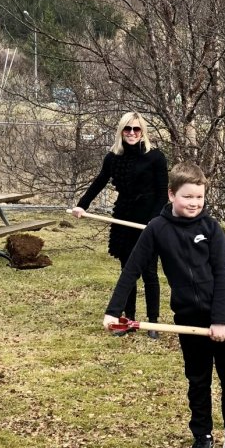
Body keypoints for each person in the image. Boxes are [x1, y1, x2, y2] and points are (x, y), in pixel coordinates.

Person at [102, 162, 225, 448]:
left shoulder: (212, 230)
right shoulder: (157, 229)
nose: (195, 203)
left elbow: (223, 277)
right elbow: (132, 269)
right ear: (171, 195)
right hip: (188, 319)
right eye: (188, 197)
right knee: (198, 380)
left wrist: (222, 321)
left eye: (199, 197)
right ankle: (203, 437)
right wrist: (113, 310)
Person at [72, 111, 168, 338]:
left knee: (149, 273)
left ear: (142, 131)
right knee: (127, 271)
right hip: (123, 217)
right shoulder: (113, 158)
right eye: (127, 129)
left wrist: (155, 221)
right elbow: (99, 182)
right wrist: (81, 205)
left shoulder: (155, 157)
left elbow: (162, 193)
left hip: (148, 221)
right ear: (121, 131)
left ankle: (153, 322)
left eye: (136, 129)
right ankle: (129, 320)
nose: (132, 133)